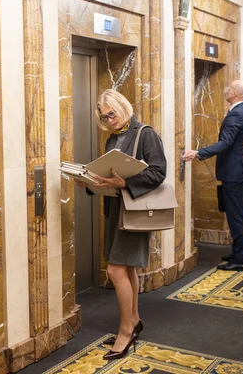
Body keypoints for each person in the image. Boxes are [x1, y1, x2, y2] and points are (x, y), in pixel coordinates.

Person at [74, 89, 166, 360]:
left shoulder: (145, 133)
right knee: (126, 270)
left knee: (115, 271)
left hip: (134, 212)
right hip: (116, 211)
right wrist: (90, 182)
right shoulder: (113, 139)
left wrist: (126, 183)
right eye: (104, 117)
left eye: (111, 114)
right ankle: (134, 320)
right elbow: (108, 177)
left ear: (122, 107)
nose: (109, 120)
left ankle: (126, 330)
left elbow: (158, 172)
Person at [183, 79, 243, 272]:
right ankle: (238, 254)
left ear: (235, 94)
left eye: (229, 88)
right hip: (238, 170)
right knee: (237, 215)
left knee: (236, 217)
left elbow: (225, 143)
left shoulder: (236, 115)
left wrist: (198, 153)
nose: (226, 90)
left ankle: (240, 260)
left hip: (233, 172)